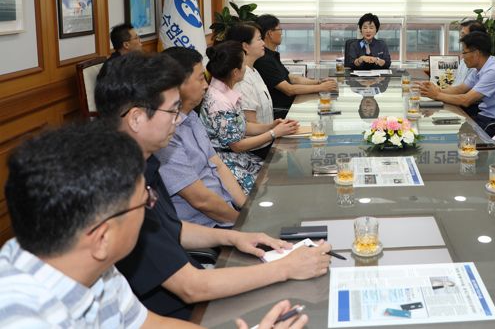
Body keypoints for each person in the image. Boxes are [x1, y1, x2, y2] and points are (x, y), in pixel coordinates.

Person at [0, 123, 307, 329]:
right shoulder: (22, 315)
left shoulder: (94, 267)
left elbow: (151, 324)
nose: (151, 207)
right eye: (144, 202)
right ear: (103, 236)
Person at [95, 52, 331, 319]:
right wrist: (285, 268)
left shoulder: (144, 163)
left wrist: (235, 235)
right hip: (186, 308)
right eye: (172, 110)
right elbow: (189, 287)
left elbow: (172, 228)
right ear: (136, 117)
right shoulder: (116, 187)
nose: (178, 119)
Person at [155, 47, 246, 228]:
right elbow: (201, 201)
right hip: (204, 225)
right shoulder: (164, 135)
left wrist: (247, 210)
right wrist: (244, 223)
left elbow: (218, 165)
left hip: (226, 213)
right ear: (177, 84)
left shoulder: (191, 116)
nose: (206, 85)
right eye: (200, 78)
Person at [201, 41, 281, 195]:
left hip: (237, 156)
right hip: (225, 161)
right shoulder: (219, 102)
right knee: (263, 188)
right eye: (244, 64)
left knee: (273, 176)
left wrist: (271, 126)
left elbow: (242, 126)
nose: (247, 68)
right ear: (235, 72)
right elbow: (236, 145)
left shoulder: (225, 92)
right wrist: (273, 134)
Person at [417, 31, 495, 134]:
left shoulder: (493, 71)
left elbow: (466, 100)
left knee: (461, 137)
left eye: (464, 53)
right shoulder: (479, 68)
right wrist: (437, 90)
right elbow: (460, 89)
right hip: (486, 116)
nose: (462, 57)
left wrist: (437, 95)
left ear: (476, 53)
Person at [226, 23, 300, 157]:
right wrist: (275, 131)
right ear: (245, 46)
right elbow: (249, 127)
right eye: (259, 39)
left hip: (267, 141)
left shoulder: (253, 70)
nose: (263, 43)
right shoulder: (242, 79)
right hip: (256, 150)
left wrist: (274, 126)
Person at [253, 14, 337, 117]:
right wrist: (321, 87)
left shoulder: (272, 55)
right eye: (280, 30)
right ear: (270, 33)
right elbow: (289, 89)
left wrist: (318, 82)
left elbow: (292, 78)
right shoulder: (264, 60)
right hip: (281, 111)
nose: (281, 33)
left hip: (291, 104)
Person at [454, 20, 486, 85]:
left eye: (463, 35)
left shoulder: (481, 66)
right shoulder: (464, 60)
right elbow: (458, 88)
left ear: (475, 37)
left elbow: (466, 94)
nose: (461, 39)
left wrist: (437, 93)